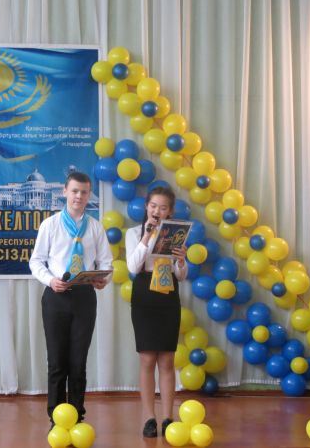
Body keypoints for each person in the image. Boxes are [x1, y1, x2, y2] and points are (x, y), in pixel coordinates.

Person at [29, 172, 113, 427]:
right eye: (75, 191)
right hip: (56, 296)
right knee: (57, 361)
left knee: (78, 361)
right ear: (64, 191)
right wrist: (50, 280)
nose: (79, 196)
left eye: (84, 192)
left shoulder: (95, 227)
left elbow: (106, 263)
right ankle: (56, 416)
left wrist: (103, 279)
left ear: (88, 195)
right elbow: (36, 261)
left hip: (84, 298)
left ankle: (76, 414)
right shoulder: (50, 225)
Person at [125, 186, 188, 438]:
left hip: (168, 295)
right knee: (147, 359)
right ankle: (149, 418)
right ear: (146, 207)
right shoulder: (133, 233)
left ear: (169, 211)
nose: (157, 211)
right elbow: (133, 267)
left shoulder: (175, 234)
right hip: (144, 294)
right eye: (153, 206)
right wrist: (146, 237)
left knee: (167, 360)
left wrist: (181, 260)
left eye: (163, 208)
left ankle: (168, 418)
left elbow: (180, 276)